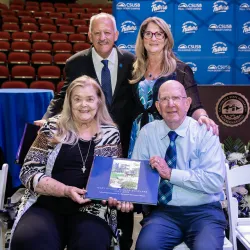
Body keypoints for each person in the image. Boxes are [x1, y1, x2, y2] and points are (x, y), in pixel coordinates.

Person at [34, 13, 135, 250]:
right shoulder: (75, 62)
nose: (102, 38)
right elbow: (65, 95)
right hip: (91, 136)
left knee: (123, 194)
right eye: (97, 33)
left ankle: (125, 242)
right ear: (89, 35)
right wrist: (47, 118)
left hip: (124, 137)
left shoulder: (131, 61)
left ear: (116, 35)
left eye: (107, 32)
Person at [10, 76, 133, 250]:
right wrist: (65, 191)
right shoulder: (52, 127)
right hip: (46, 203)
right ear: (69, 102)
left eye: (90, 99)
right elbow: (28, 171)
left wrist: (121, 197)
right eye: (78, 99)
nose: (84, 105)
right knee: (31, 241)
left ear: (99, 101)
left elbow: (113, 179)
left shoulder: (110, 133)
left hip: (92, 208)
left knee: (91, 244)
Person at [132, 80, 227, 250]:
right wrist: (121, 196)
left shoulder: (205, 132)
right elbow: (136, 179)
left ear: (187, 102)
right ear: (157, 106)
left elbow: (214, 182)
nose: (170, 104)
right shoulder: (147, 133)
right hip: (164, 213)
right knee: (146, 247)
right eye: (164, 99)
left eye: (176, 98)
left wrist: (170, 173)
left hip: (204, 212)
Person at [128, 16, 218, 158]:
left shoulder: (181, 70)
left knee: (167, 176)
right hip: (137, 136)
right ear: (142, 38)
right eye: (148, 34)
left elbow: (194, 106)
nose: (153, 38)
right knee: (141, 178)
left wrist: (203, 117)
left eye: (159, 34)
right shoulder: (133, 70)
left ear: (166, 39)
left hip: (166, 136)